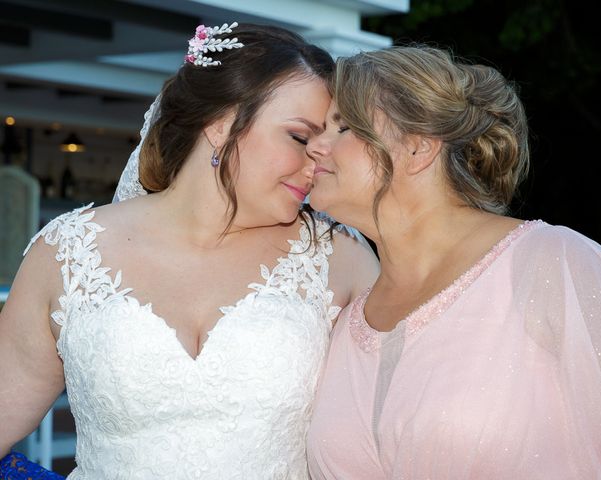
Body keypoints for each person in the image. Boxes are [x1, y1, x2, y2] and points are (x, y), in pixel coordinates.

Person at [0, 23, 378, 479]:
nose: (316, 164)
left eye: (324, 147)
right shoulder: (67, 253)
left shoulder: (342, 260)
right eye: (299, 138)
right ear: (220, 123)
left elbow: (392, 431)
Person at [305, 45, 601, 479]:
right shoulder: (347, 324)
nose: (314, 146)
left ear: (417, 148)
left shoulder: (553, 265)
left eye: (344, 127)